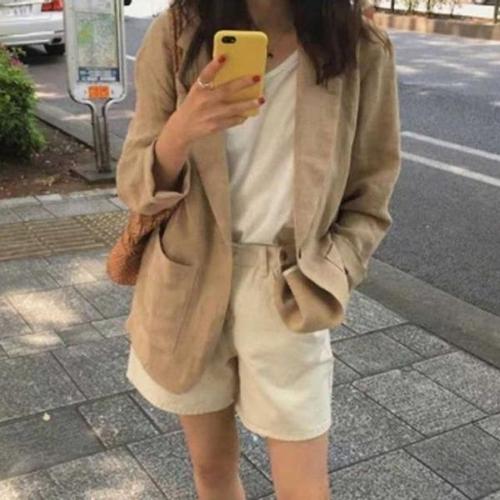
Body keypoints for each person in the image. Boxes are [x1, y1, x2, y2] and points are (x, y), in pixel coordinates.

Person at [116, 0, 401, 498]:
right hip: (189, 277)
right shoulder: (178, 33)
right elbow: (135, 186)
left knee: (304, 486)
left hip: (290, 285)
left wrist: (330, 272)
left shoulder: (358, 46)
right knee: (212, 470)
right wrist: (182, 129)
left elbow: (370, 193)